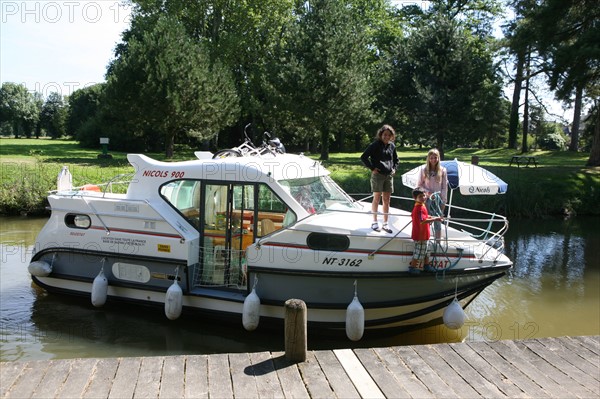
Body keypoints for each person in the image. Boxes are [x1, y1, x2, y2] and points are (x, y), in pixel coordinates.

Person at [360, 124, 399, 233]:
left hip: (389, 176)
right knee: (376, 198)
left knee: (387, 200)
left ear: (392, 136)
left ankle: (386, 223)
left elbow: (396, 160)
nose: (386, 137)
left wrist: (394, 169)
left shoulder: (392, 146)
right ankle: (374, 222)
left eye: (389, 135)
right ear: (381, 135)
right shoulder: (375, 145)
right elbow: (363, 157)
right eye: (384, 134)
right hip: (378, 175)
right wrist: (372, 168)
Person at [417, 148, 447, 240]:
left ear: (438, 158)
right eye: (431, 158)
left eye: (435, 157)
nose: (433, 160)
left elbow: (444, 187)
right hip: (426, 199)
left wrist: (443, 201)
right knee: (426, 220)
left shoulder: (443, 170)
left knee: (438, 221)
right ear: (428, 159)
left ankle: (437, 242)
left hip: (438, 200)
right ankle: (426, 240)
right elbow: (419, 185)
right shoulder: (423, 170)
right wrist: (428, 192)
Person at [410, 188, 442, 274]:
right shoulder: (419, 208)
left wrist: (432, 217)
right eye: (420, 196)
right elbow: (422, 220)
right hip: (420, 235)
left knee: (427, 251)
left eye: (424, 195)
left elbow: (425, 216)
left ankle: (426, 265)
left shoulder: (421, 205)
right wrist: (435, 219)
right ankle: (412, 267)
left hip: (424, 234)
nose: (423, 198)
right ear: (415, 198)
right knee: (418, 252)